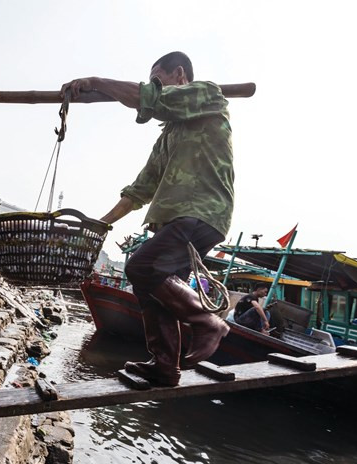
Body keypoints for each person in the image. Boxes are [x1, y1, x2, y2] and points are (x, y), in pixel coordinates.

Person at [62, 51, 234, 387]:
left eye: (158, 79)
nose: (154, 86)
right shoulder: (168, 136)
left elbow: (149, 98)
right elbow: (140, 189)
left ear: (179, 74)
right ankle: (165, 366)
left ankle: (209, 323)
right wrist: (101, 222)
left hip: (202, 211)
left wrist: (96, 82)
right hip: (175, 220)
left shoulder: (209, 95)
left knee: (142, 267)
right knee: (153, 288)